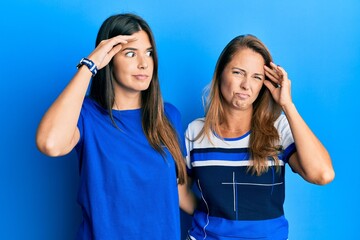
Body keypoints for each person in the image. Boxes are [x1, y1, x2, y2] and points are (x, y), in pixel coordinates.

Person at [36, 13, 188, 240]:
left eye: (149, 53)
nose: (143, 63)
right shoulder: (86, 115)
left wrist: (229, 220)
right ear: (108, 59)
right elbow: (50, 144)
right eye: (130, 53)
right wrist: (90, 65)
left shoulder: (168, 116)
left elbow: (179, 192)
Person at [181, 34, 335, 240]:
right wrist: (213, 215)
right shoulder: (196, 132)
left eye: (256, 77)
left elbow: (322, 174)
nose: (246, 85)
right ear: (220, 74)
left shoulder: (278, 129)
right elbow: (179, 192)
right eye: (238, 73)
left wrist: (287, 105)